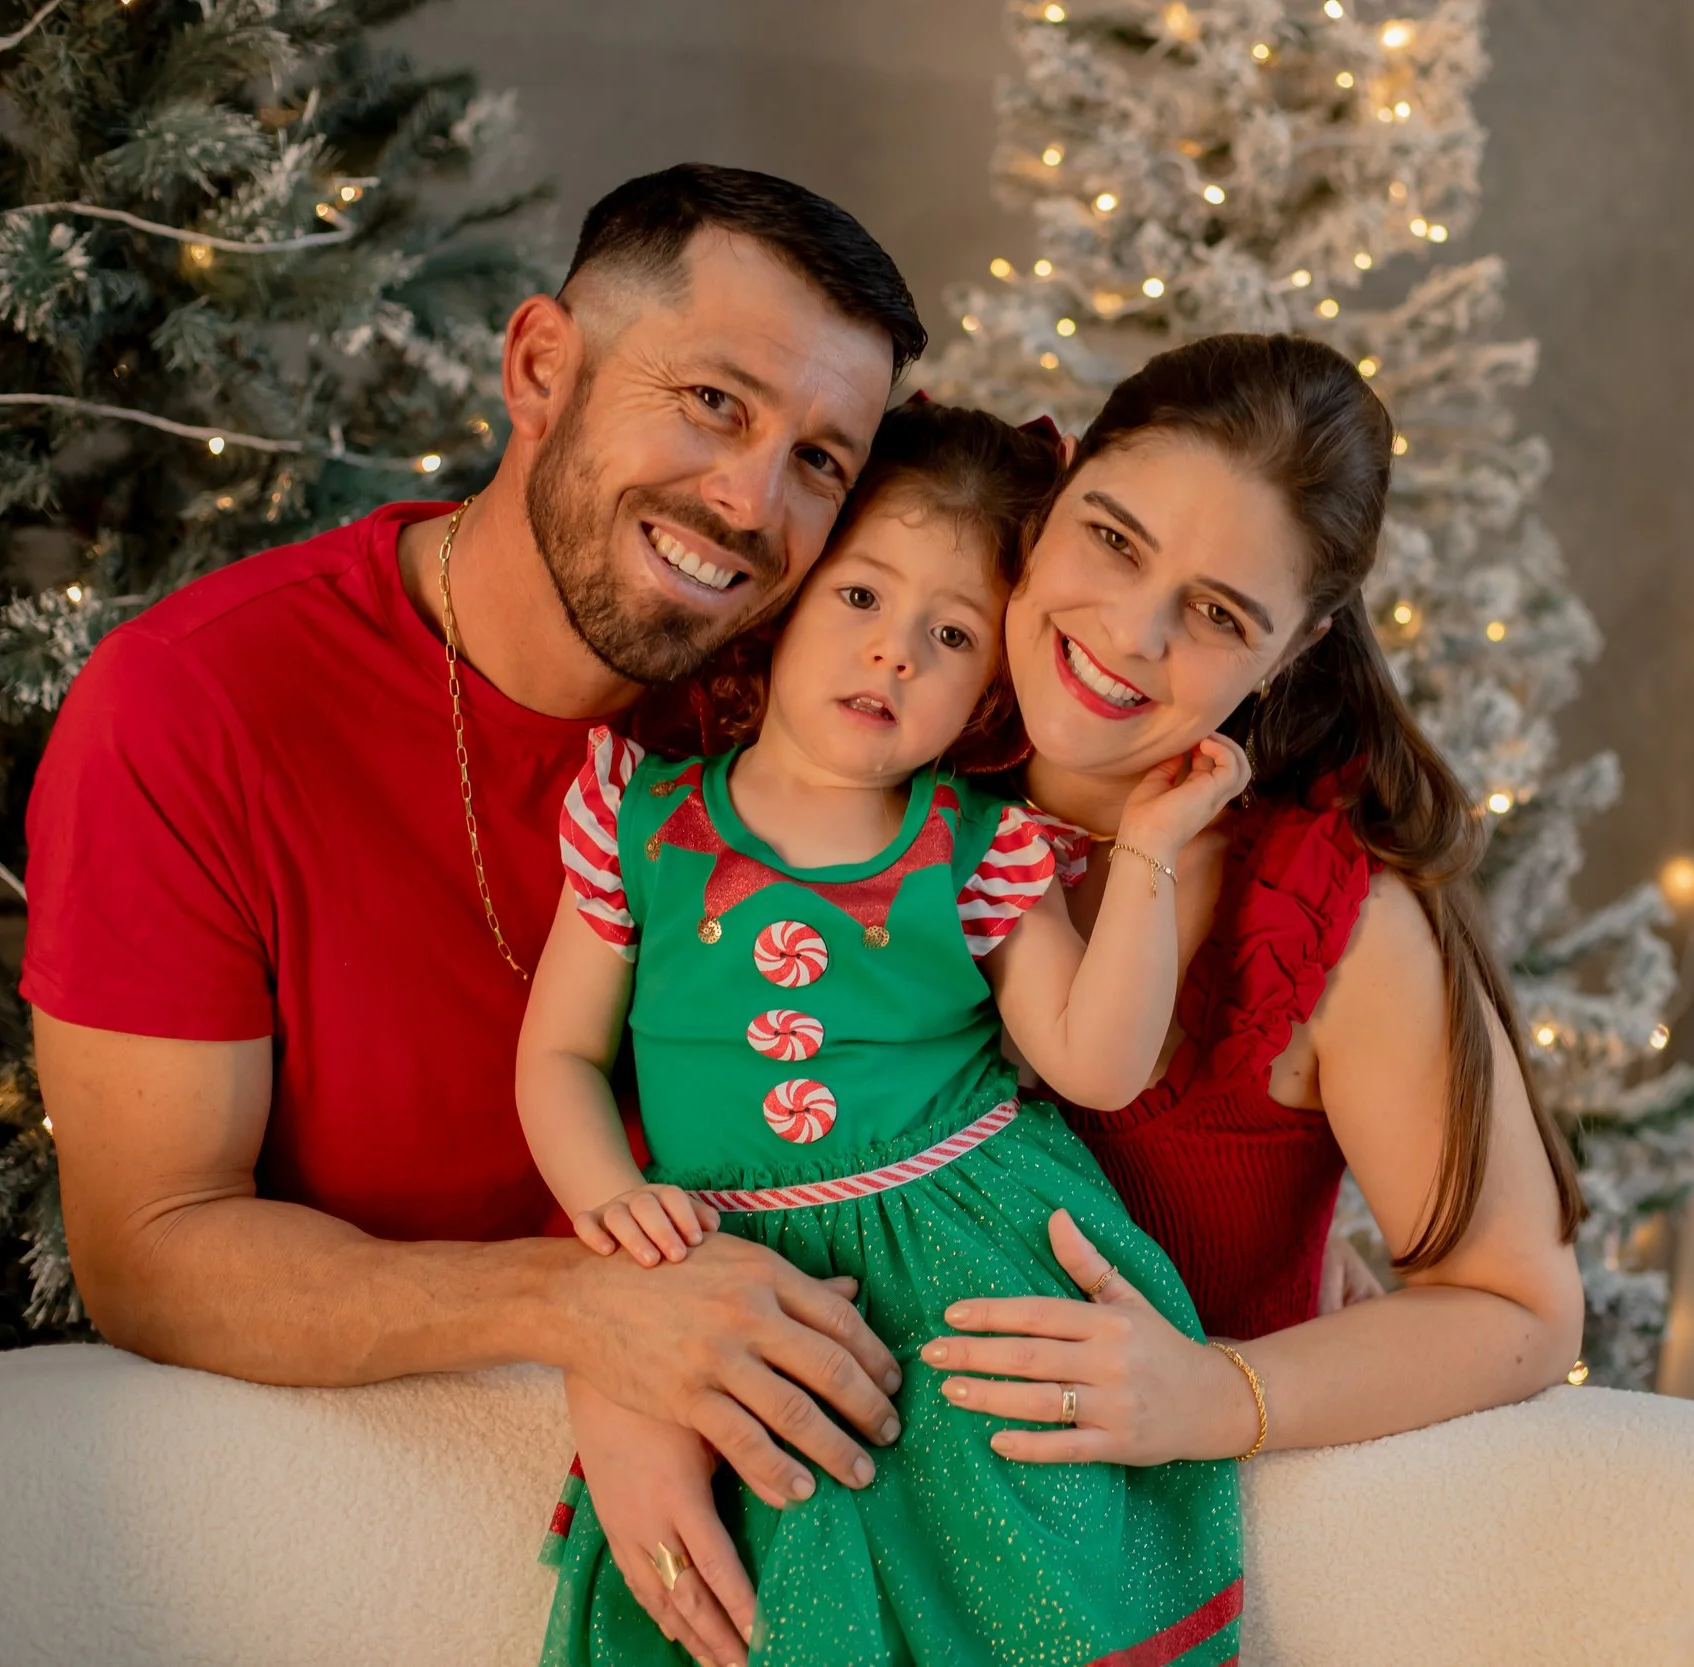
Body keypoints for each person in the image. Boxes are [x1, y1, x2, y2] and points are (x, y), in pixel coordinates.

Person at [22, 165, 922, 1665]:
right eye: (712, 400)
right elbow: (151, 1243)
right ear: (539, 369)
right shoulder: (195, 707)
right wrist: (587, 1309)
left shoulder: (823, 702)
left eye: (821, 459)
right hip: (388, 1525)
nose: (752, 506)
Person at [614, 337, 1589, 1660]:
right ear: (1057, 484)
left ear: (1294, 645)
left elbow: (1521, 1307)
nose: (1129, 635)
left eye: (1218, 613)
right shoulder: (864, 731)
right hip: (821, 1546)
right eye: (1114, 539)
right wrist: (617, 1372)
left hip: (1087, 1582)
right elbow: (649, 1087)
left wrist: (1214, 1391)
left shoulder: (1331, 925)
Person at [521, 397, 1248, 1666]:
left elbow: (1094, 1060)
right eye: (860, 597)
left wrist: (1146, 853)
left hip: (958, 1253)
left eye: (951, 632)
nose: (895, 651)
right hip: (723, 1265)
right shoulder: (642, 821)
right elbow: (561, 1057)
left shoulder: (976, 850)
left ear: (985, 688)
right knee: (737, 1591)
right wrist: (610, 1206)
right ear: (785, 602)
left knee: (995, 1577)